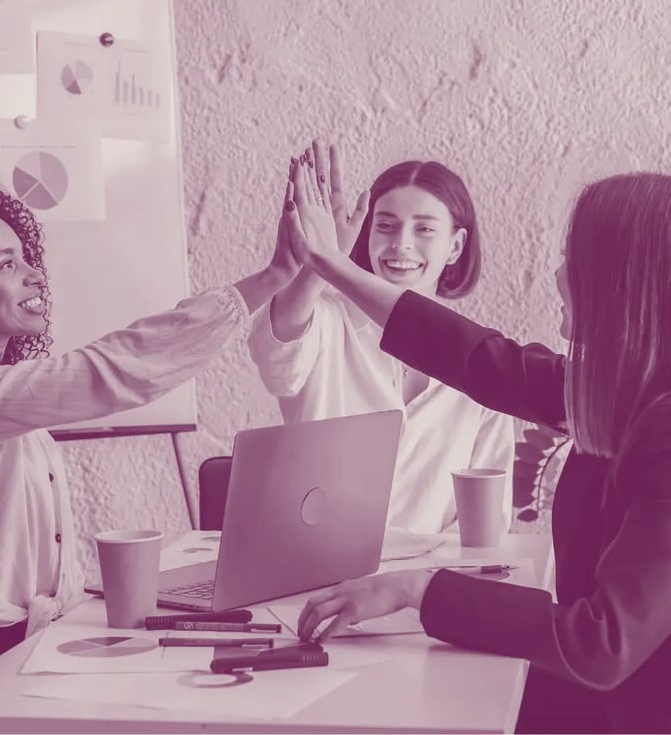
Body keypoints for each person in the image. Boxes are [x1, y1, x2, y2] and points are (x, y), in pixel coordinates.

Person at [285, 146, 671, 733]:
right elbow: (476, 357)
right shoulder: (623, 389)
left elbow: (600, 644)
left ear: (621, 283)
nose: (557, 274)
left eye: (572, 257)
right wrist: (329, 264)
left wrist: (419, 589)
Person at [0, 167, 299, 729]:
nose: (34, 275)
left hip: (15, 645)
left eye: (24, 256)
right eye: (6, 265)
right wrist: (271, 278)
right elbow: (108, 372)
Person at [248, 141, 515, 535]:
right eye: (385, 225)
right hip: (318, 577)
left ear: (455, 246)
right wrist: (323, 260)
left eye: (424, 228)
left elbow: (486, 521)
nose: (400, 244)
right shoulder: (325, 322)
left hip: (427, 585)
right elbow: (276, 354)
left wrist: (423, 587)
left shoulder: (483, 360)